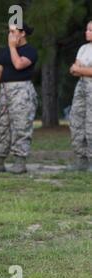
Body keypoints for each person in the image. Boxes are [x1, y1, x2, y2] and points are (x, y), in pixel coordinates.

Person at [0, 23, 38, 174]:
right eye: (9, 32)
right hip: (5, 91)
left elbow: (18, 64)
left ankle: (20, 161)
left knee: (21, 125)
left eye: (13, 32)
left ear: (22, 33)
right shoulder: (5, 51)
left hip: (21, 91)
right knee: (1, 125)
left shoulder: (30, 51)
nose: (9, 35)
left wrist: (12, 47)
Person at [68, 21, 92, 172]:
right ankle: (81, 159)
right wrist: (85, 69)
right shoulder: (83, 48)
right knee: (76, 121)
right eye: (87, 29)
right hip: (81, 86)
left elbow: (79, 69)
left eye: (90, 30)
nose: (87, 32)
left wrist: (81, 69)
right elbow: (73, 70)